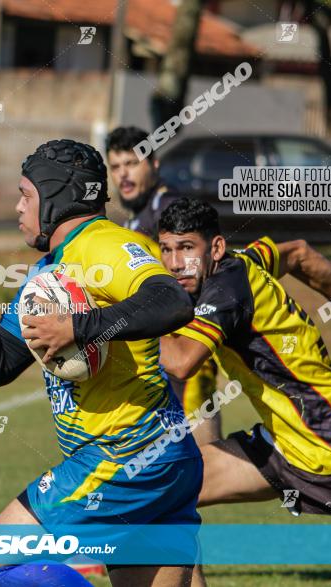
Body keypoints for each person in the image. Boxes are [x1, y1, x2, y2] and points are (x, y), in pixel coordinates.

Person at [0, 140, 202, 586]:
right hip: (162, 459)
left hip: (125, 455)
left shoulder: (107, 245)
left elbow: (171, 300)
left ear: (55, 196)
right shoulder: (49, 273)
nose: (17, 207)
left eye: (26, 194)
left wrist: (79, 327)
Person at [156, 198, 331, 586]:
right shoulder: (248, 259)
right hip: (280, 444)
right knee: (166, 493)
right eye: (166, 249)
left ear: (215, 248)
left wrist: (106, 329)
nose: (174, 262)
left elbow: (183, 360)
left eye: (186, 248)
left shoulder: (225, 293)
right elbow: (300, 253)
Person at [106, 126, 220, 444]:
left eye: (132, 163)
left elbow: (205, 268)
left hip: (186, 345)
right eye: (116, 167)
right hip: (158, 351)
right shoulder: (134, 220)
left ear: (154, 165)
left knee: (204, 461)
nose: (123, 174)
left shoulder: (168, 210)